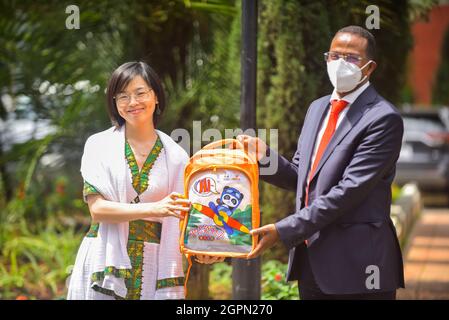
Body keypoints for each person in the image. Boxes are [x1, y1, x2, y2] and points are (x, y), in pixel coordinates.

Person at [239, 26, 405, 300]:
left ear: (369, 68)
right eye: (334, 55)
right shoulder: (317, 108)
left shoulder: (382, 119)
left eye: (351, 58)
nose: (340, 64)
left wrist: (283, 230)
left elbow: (348, 192)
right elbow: (303, 179)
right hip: (312, 264)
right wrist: (263, 157)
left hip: (360, 268)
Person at [67, 61, 218, 300]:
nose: (132, 102)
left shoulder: (177, 156)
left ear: (156, 96)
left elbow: (185, 219)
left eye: (140, 93)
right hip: (103, 261)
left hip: (154, 263)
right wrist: (156, 208)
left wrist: (206, 249)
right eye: (123, 96)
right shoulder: (98, 145)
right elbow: (97, 210)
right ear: (115, 104)